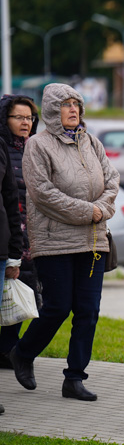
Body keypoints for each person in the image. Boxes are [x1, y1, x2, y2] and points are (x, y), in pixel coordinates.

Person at [10, 83, 118, 400]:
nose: (73, 109)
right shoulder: (37, 146)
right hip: (55, 242)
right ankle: (23, 353)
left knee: (88, 310)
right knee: (57, 307)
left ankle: (74, 377)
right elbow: (43, 195)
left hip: (94, 241)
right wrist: (91, 211)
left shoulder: (91, 142)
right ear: (52, 111)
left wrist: (104, 208)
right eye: (66, 104)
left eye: (77, 104)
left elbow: (112, 179)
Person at [0, 95, 37, 369]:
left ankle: (8, 348)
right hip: (12, 231)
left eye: (29, 118)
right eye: (19, 117)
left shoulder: (34, 149)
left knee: (22, 292)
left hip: (31, 234)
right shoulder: (4, 149)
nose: (26, 123)